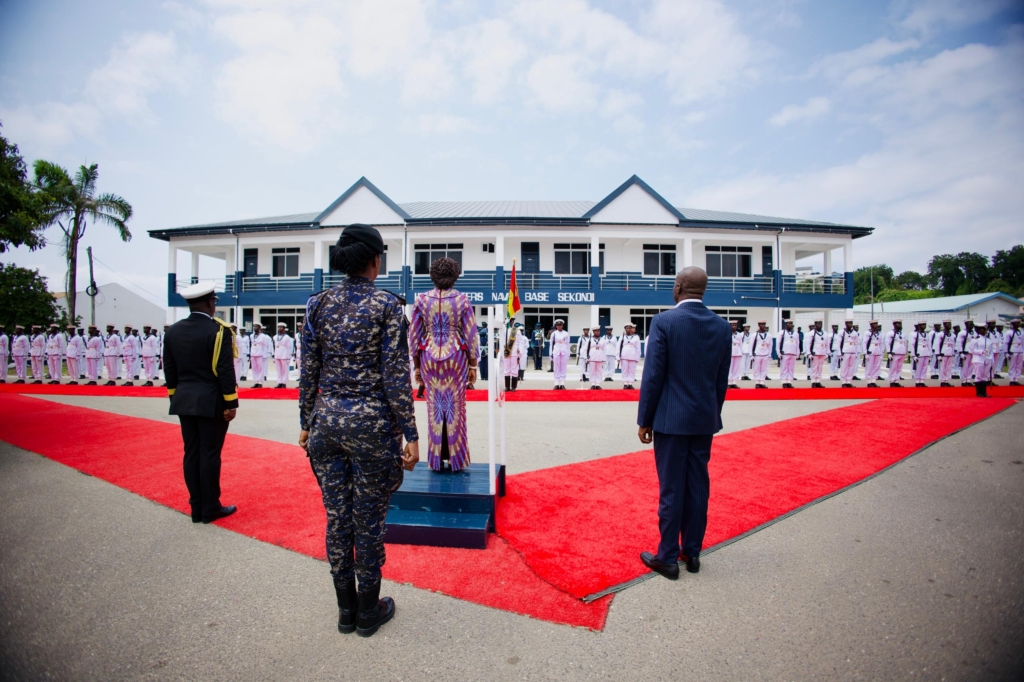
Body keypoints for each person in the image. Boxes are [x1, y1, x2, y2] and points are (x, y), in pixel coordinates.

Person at [298, 224, 419, 639]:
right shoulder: (387, 305)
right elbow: (395, 376)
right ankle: (368, 610)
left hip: (326, 425)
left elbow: (308, 371)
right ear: (374, 261)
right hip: (372, 426)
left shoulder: (317, 304)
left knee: (337, 518)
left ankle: (345, 611)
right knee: (367, 519)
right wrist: (411, 432)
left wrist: (305, 422)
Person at [637, 267, 730, 580]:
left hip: (671, 421)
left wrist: (645, 420)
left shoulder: (664, 321)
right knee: (698, 487)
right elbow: (721, 380)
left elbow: (654, 376)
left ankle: (667, 557)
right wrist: (710, 413)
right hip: (704, 420)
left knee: (672, 488)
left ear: (678, 287)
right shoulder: (722, 326)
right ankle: (692, 552)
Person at [163, 281, 239, 525]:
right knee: (209, 454)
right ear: (210, 302)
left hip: (184, 399)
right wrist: (231, 403)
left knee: (191, 453)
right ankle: (210, 508)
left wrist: (175, 397)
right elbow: (225, 370)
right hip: (211, 401)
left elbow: (170, 370)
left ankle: (196, 508)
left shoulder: (173, 331)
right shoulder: (219, 331)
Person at [410, 256, 479, 472]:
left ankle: (436, 460)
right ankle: (456, 459)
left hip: (429, 358)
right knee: (455, 407)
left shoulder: (421, 300)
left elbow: (414, 336)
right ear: (455, 276)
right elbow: (471, 335)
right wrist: (473, 365)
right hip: (455, 358)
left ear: (433, 276)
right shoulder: (462, 300)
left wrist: (417, 366)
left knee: (434, 407)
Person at [968, 322, 994, 397]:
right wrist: (981, 351)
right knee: (979, 376)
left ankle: (984, 392)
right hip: (978, 359)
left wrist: (992, 361)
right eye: (983, 329)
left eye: (986, 329)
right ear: (979, 330)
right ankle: (979, 392)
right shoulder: (975, 340)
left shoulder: (988, 340)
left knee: (985, 377)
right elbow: (972, 350)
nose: (985, 331)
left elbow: (991, 351)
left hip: (987, 360)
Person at [776, 320, 799, 388]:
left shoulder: (795, 333)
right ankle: (784, 381)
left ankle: (789, 381)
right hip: (785, 353)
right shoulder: (782, 332)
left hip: (793, 353)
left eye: (791, 323)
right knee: (784, 368)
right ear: (786, 324)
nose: (790, 325)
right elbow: (778, 343)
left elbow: (797, 343)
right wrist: (778, 352)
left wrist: (798, 352)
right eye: (789, 323)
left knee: (791, 368)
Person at [804, 320, 828, 388]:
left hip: (822, 353)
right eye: (818, 324)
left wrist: (827, 353)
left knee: (820, 368)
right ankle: (813, 381)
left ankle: (818, 381)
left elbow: (827, 344)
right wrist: (809, 353)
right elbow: (808, 344)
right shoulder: (811, 333)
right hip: (815, 353)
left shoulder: (825, 333)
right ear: (815, 324)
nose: (819, 325)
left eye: (820, 324)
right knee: (814, 368)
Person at [548, 319, 571, 389]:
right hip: (556, 351)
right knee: (556, 367)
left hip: (564, 351)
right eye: (558, 325)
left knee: (563, 368)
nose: (559, 326)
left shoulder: (566, 333)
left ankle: (562, 384)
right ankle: (556, 383)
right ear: (556, 326)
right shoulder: (554, 334)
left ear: (562, 325)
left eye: (560, 325)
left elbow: (568, 344)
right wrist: (550, 354)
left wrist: (568, 354)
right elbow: (551, 344)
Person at [618, 323, 642, 390]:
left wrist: (637, 357)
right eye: (627, 328)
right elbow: (618, 347)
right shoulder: (622, 337)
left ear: (632, 329)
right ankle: (625, 383)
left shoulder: (636, 337)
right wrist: (618, 356)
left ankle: (630, 383)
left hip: (632, 356)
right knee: (625, 369)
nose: (628, 329)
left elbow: (638, 348)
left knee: (632, 370)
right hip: (624, 356)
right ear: (625, 329)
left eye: (629, 328)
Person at [933, 320, 957, 387]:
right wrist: (938, 354)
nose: (950, 325)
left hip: (950, 352)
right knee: (943, 368)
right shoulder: (940, 334)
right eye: (948, 324)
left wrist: (953, 352)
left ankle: (947, 380)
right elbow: (937, 344)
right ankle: (943, 381)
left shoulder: (952, 335)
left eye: (950, 324)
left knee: (949, 368)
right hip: (943, 353)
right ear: (944, 325)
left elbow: (953, 344)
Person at [885, 320, 907, 387]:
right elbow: (887, 343)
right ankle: (892, 381)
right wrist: (889, 352)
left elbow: (905, 343)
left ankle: (897, 380)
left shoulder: (903, 333)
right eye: (898, 324)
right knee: (893, 367)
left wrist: (905, 352)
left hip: (902, 352)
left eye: (900, 323)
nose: (900, 325)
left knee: (899, 368)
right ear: (894, 325)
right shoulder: (890, 333)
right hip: (894, 352)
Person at [249, 324, 272, 388]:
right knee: (254, 368)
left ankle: (260, 382)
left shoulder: (263, 336)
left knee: (260, 369)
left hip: (260, 354)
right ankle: (256, 381)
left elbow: (265, 346)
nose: (254, 327)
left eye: (256, 326)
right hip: (253, 354)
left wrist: (264, 355)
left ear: (259, 328)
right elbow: (251, 345)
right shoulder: (251, 335)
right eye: (254, 326)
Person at [863, 321, 884, 387]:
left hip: (878, 351)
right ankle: (869, 381)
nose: (876, 325)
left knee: (876, 367)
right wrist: (865, 353)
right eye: (874, 324)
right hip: (870, 350)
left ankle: (873, 381)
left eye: (876, 324)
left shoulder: (879, 333)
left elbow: (881, 343)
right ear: (871, 325)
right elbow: (865, 343)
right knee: (869, 367)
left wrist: (881, 353)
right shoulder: (867, 333)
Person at [911, 321, 932, 387]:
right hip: (919, 352)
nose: (924, 326)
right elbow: (912, 345)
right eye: (922, 325)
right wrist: (914, 355)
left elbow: (929, 345)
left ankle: (922, 380)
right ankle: (917, 381)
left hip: (926, 352)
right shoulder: (915, 334)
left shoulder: (927, 334)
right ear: (919, 326)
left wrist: (930, 354)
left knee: (925, 367)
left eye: (924, 325)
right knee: (919, 368)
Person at [751, 321, 772, 388]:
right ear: (758, 325)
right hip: (757, 354)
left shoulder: (769, 335)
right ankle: (757, 382)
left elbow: (770, 345)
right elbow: (751, 345)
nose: (762, 326)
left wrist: (769, 355)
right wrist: (751, 354)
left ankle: (762, 382)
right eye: (761, 324)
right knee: (756, 369)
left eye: (763, 324)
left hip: (765, 354)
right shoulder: (755, 334)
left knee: (764, 369)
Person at [273, 323, 294, 388]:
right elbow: (274, 347)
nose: (280, 328)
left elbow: (289, 347)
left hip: (284, 355)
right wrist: (274, 356)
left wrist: (289, 357)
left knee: (284, 370)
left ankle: (284, 382)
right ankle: (279, 382)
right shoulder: (275, 337)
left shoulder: (287, 337)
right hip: (277, 354)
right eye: (279, 327)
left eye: (281, 327)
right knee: (278, 370)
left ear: (284, 329)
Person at [956, 320, 977, 386]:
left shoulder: (974, 333)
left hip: (972, 352)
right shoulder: (962, 333)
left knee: (971, 367)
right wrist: (961, 352)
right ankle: (964, 381)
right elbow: (959, 343)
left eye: (972, 324)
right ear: (966, 325)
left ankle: (968, 379)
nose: (972, 326)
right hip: (965, 352)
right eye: (970, 324)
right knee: (965, 367)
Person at [1004, 319, 1022, 385]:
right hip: (1012, 350)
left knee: (1019, 365)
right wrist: (1006, 352)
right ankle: (1012, 379)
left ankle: (1016, 379)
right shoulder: (1009, 332)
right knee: (1012, 365)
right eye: (1016, 323)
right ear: (1013, 324)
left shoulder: (1021, 332)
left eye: (1019, 323)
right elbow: (1006, 343)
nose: (1018, 324)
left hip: (1020, 350)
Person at [727, 321, 743, 388]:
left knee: (736, 368)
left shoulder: (739, 334)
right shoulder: (727, 333)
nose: (734, 326)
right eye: (733, 325)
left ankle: (734, 382)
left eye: (735, 325)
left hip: (737, 352)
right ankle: (729, 382)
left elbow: (741, 344)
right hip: (730, 352)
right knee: (729, 368)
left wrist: (741, 352)